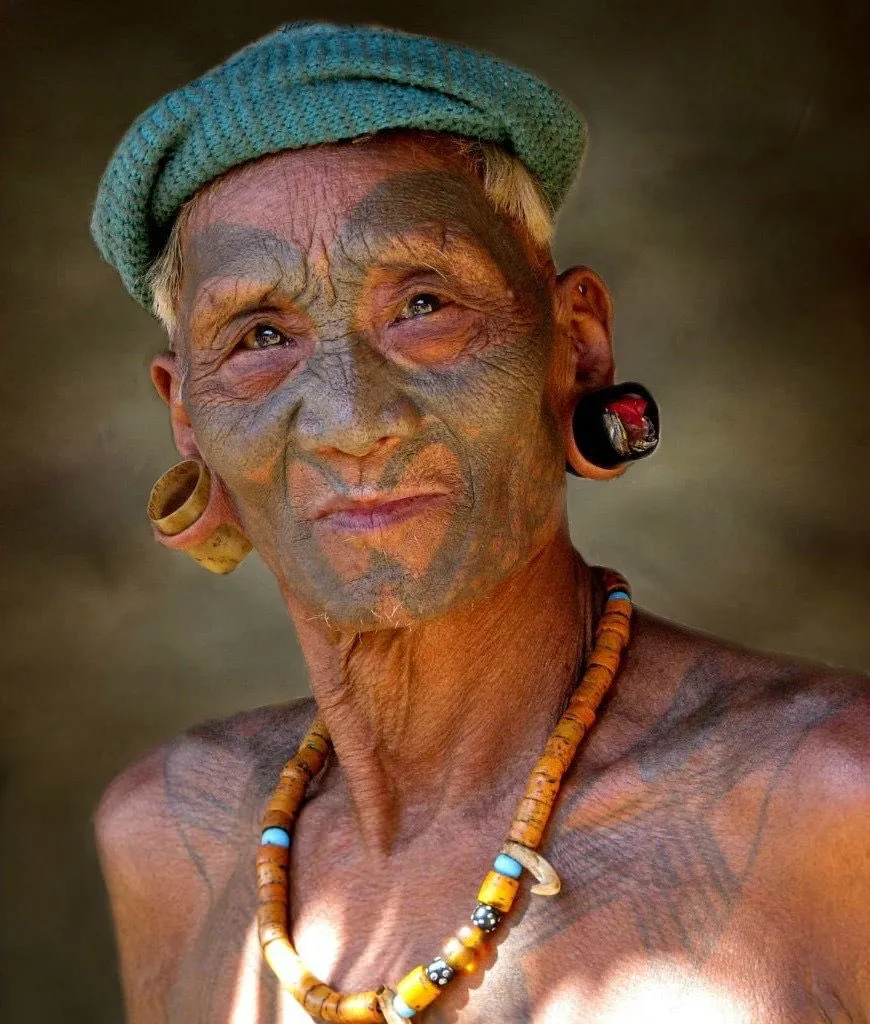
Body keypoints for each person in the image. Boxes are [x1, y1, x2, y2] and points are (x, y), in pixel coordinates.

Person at [90, 22, 870, 1024]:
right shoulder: (165, 842)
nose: (351, 420)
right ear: (189, 417)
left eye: (423, 303)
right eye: (261, 336)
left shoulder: (837, 804)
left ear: (575, 347)